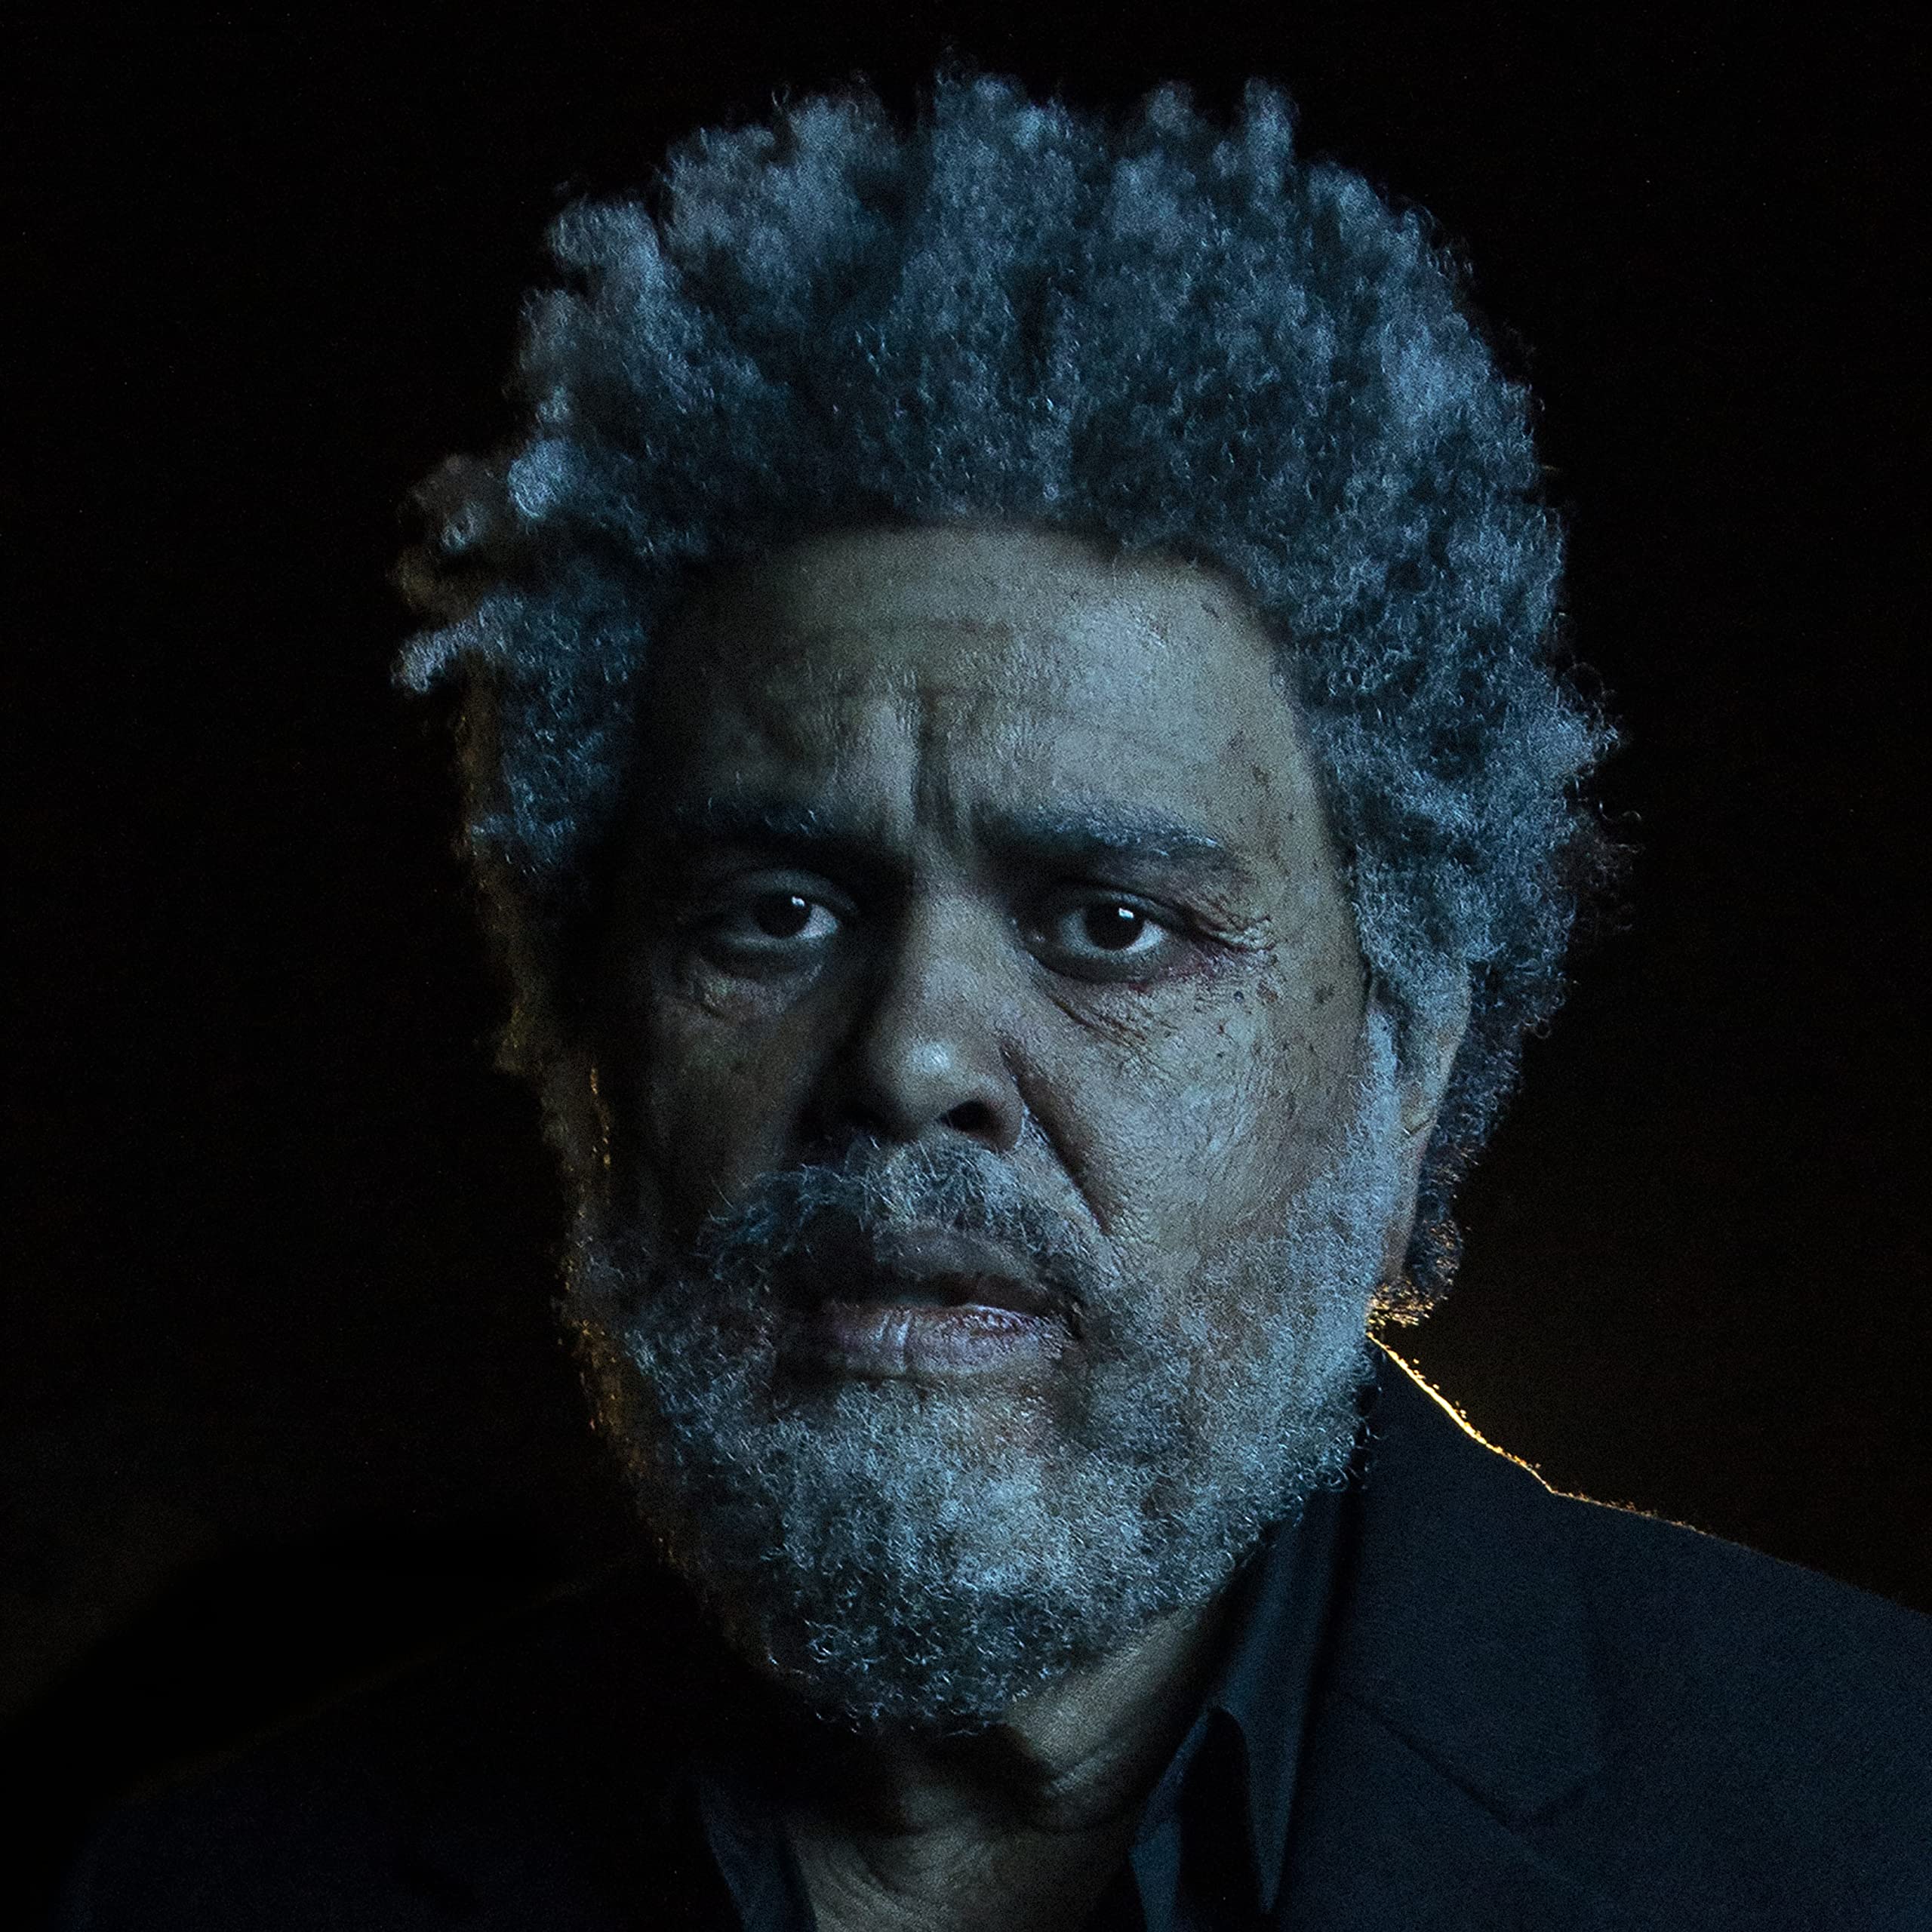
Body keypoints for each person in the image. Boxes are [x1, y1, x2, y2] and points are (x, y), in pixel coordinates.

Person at [56, 69, 1929, 1932]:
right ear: (584, 1051)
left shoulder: (1874, 1826)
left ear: (1406, 1067)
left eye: (1109, 923)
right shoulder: (200, 1902)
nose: (910, 1053)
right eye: (775, 912)